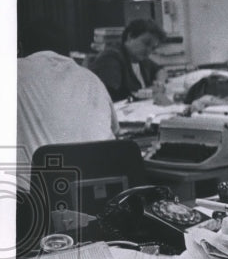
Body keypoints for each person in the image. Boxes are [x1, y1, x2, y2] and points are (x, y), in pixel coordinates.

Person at [16, 18, 118, 189]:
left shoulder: (12, 73)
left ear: (20, 47)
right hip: (98, 192)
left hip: (36, 200)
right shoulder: (91, 78)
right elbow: (114, 131)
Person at [91, 18, 167, 101]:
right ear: (130, 36)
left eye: (153, 48)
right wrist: (148, 91)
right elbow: (110, 97)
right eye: (146, 43)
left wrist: (160, 82)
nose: (149, 51)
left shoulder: (140, 59)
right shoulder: (110, 58)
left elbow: (160, 70)